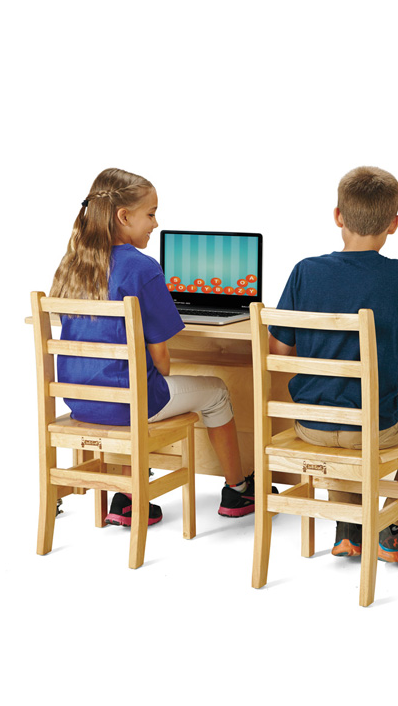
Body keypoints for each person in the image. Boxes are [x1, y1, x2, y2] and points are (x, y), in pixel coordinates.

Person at [268, 166, 398, 563]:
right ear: (394, 224)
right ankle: (393, 531)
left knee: (337, 405)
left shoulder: (304, 271)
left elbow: (278, 350)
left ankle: (348, 531)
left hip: (310, 426)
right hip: (373, 428)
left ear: (338, 216)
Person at [50, 167, 261, 525]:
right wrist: (160, 374)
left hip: (81, 403)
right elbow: (161, 356)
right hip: (129, 406)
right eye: (150, 214)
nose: (155, 223)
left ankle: (128, 496)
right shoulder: (143, 268)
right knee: (216, 391)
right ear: (124, 216)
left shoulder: (74, 264)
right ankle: (237, 490)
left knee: (135, 391)